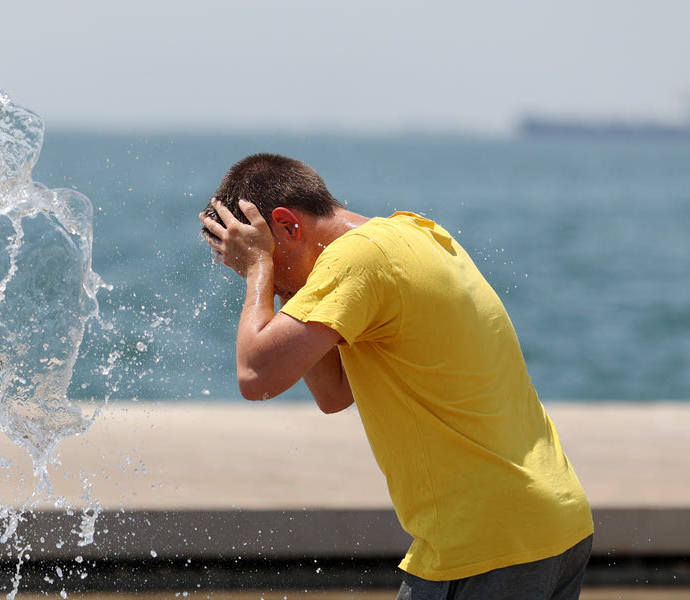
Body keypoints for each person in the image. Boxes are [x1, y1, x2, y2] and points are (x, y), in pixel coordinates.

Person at [198, 153, 594, 600]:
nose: (270, 283)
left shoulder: (358, 261)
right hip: (552, 523)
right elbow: (334, 393)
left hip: (487, 544)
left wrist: (256, 271)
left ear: (289, 225)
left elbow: (256, 376)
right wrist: (277, 276)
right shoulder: (413, 233)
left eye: (268, 257)